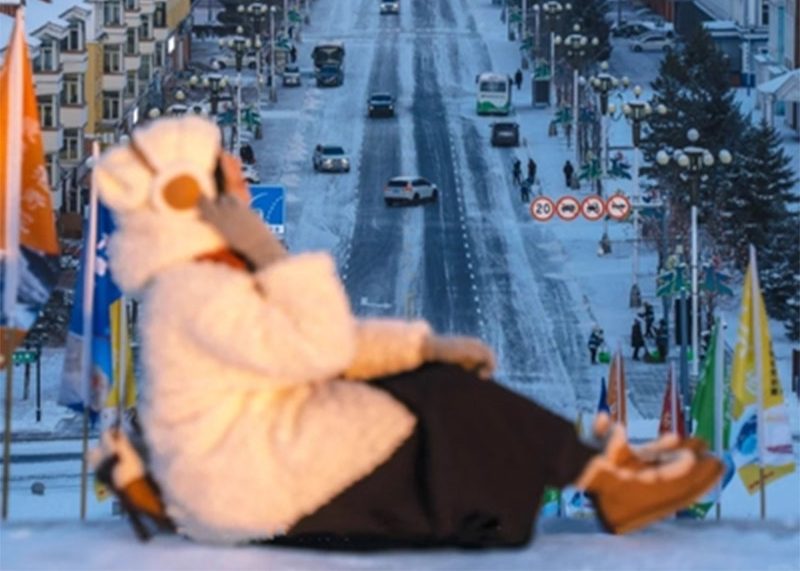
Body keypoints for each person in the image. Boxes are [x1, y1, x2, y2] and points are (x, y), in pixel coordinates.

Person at [91, 116, 722, 548]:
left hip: (260, 470)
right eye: (230, 174)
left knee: (435, 399)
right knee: (441, 406)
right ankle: (608, 481)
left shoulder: (205, 280)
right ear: (194, 197)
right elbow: (321, 348)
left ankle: (599, 479)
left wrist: (421, 347)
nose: (246, 177)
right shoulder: (197, 289)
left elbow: (313, 356)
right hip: (256, 489)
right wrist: (271, 255)